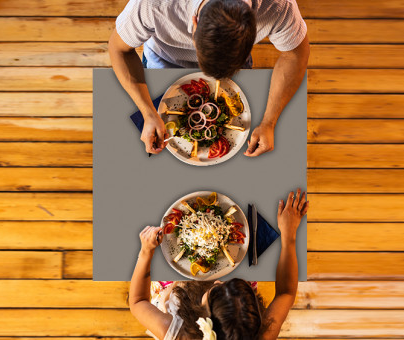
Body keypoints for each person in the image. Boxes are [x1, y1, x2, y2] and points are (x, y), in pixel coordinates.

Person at [109, 0, 310, 156]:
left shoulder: (278, 6)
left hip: (236, 70)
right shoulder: (152, 5)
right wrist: (148, 113)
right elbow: (118, 49)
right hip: (163, 60)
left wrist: (269, 123)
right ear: (194, 24)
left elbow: (296, 54)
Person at [129, 188, 308, 339]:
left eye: (216, 289)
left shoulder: (179, 333)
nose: (218, 281)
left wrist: (146, 252)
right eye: (228, 283)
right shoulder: (261, 335)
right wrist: (289, 235)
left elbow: (138, 302)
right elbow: (286, 293)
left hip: (176, 291)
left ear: (204, 319)